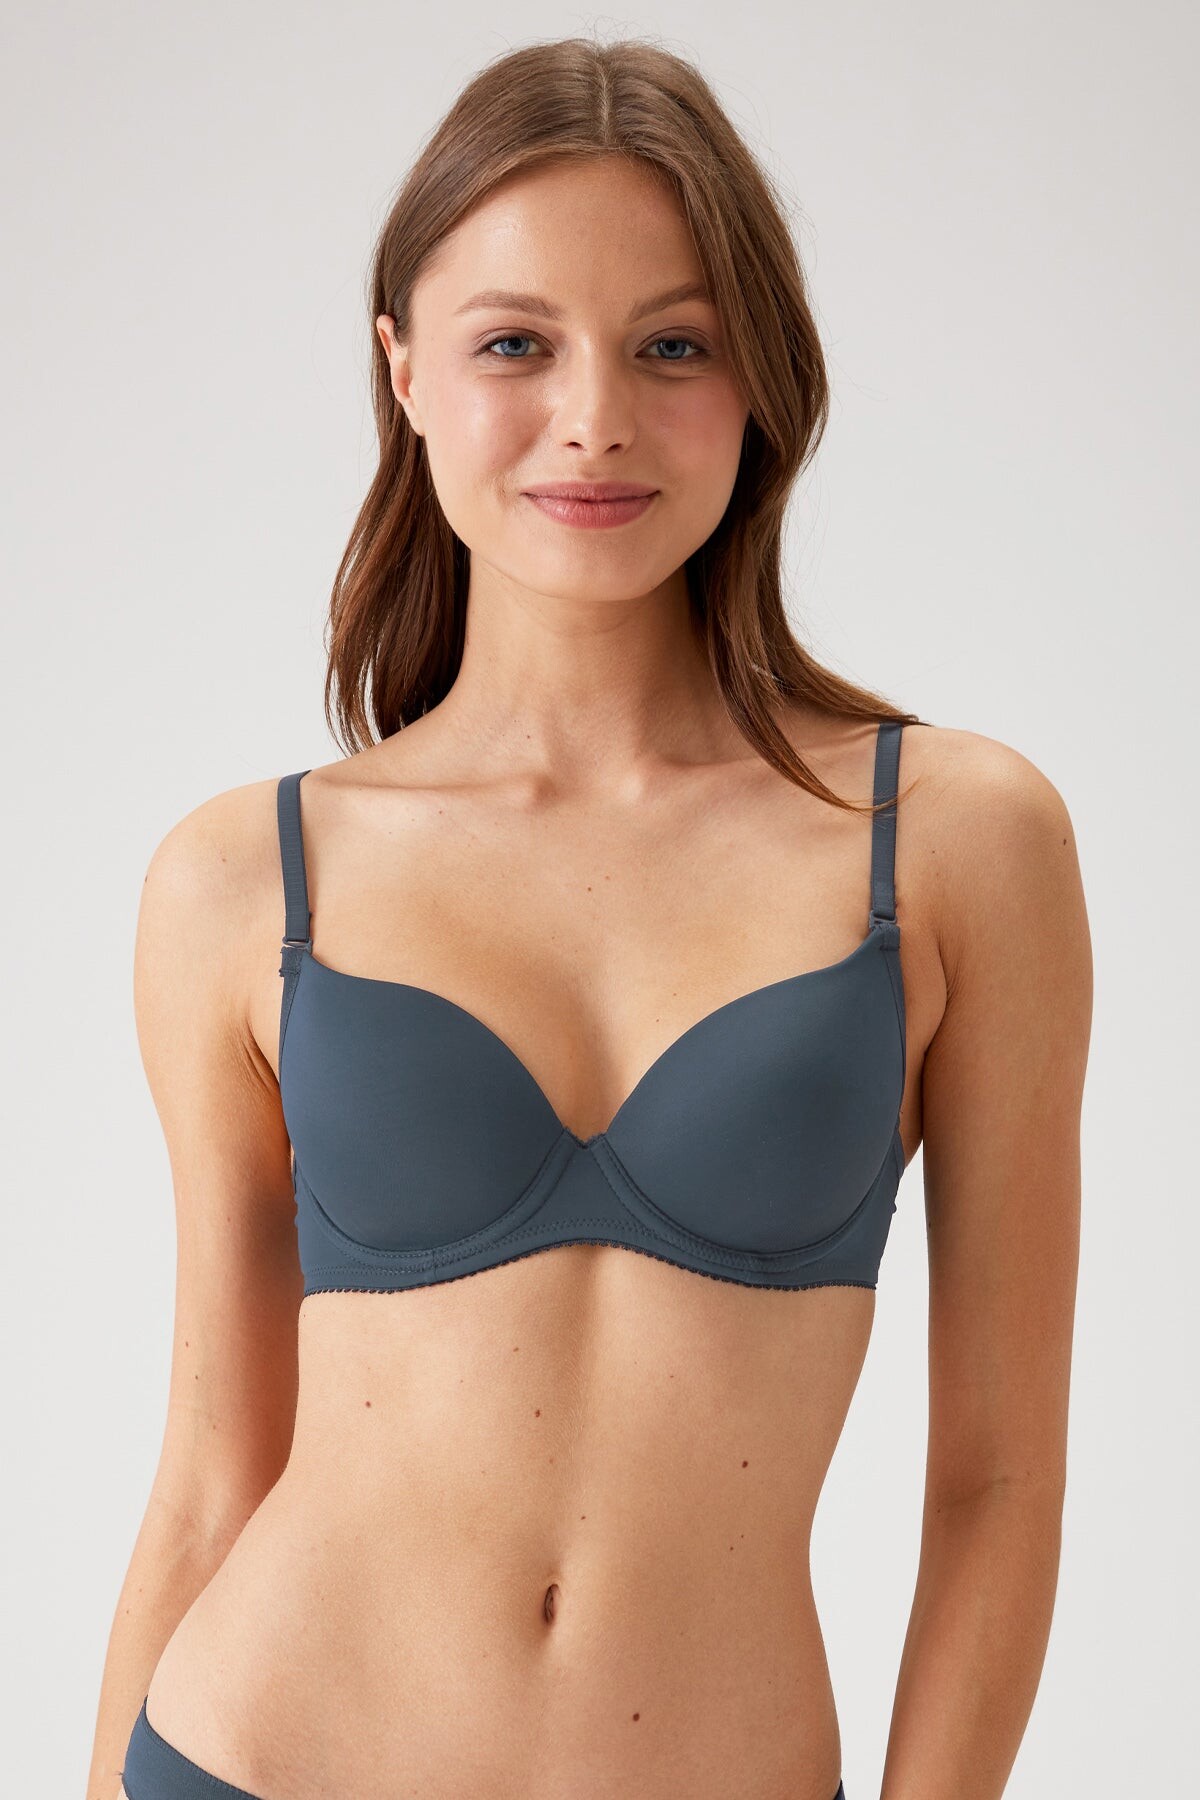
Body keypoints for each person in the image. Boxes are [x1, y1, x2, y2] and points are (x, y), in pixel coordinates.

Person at [90, 35, 1091, 1800]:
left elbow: (999, 1479)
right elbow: (208, 1479)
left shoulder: (950, 842)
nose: (596, 417)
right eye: (515, 344)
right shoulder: (244, 880)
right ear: (404, 371)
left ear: (761, 379)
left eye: (673, 345)